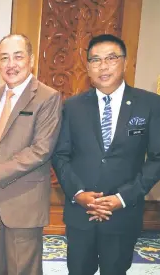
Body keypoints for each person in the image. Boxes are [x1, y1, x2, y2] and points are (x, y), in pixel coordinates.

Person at [52, 34, 160, 275]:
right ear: (88, 67)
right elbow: (60, 155)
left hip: (124, 213)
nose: (103, 66)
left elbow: (157, 158)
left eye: (111, 58)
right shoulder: (71, 106)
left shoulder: (150, 104)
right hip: (81, 213)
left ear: (125, 62)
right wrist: (79, 194)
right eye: (95, 60)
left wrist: (122, 198)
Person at [0, 34, 62, 275]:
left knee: (22, 269)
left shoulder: (48, 97)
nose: (11, 64)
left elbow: (41, 149)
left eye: (18, 56)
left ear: (31, 59)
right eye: (4, 58)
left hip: (23, 200)